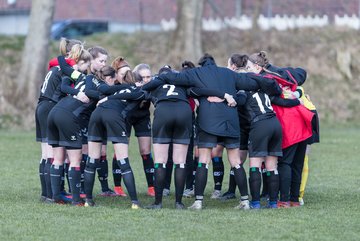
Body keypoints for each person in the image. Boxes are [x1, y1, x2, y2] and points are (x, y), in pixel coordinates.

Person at [159, 53, 281, 210]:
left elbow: (173, 79)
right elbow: (252, 83)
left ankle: (198, 202)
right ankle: (245, 201)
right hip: (230, 121)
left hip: (208, 121)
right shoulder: (229, 73)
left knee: (204, 160)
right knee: (236, 162)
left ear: (202, 65)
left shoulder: (196, 73)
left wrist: (159, 78)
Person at [246, 51, 314, 208]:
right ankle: (294, 200)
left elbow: (278, 98)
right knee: (297, 163)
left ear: (257, 67)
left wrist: (294, 97)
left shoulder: (265, 80)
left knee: (284, 163)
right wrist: (297, 94)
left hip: (289, 123)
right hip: (302, 120)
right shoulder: (280, 73)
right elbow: (301, 73)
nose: (247, 70)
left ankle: (283, 200)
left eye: (249, 67)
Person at [85, 67, 145, 209]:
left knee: (92, 160)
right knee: (123, 161)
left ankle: (88, 201)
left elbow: (107, 95)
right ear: (138, 82)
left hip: (97, 113)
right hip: (113, 115)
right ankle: (135, 202)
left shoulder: (114, 88)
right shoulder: (138, 91)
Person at [36, 39, 86, 202]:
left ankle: (47, 194)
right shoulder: (69, 68)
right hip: (51, 106)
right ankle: (54, 195)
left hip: (41, 105)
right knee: (53, 154)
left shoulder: (55, 65)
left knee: (45, 154)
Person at [47, 45, 93, 206]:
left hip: (53, 113)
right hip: (67, 116)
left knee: (58, 158)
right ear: (82, 62)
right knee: (75, 159)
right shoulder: (80, 76)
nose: (88, 68)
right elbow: (64, 85)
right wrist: (79, 94)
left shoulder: (74, 75)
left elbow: (63, 85)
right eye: (88, 64)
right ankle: (76, 199)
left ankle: (56, 197)